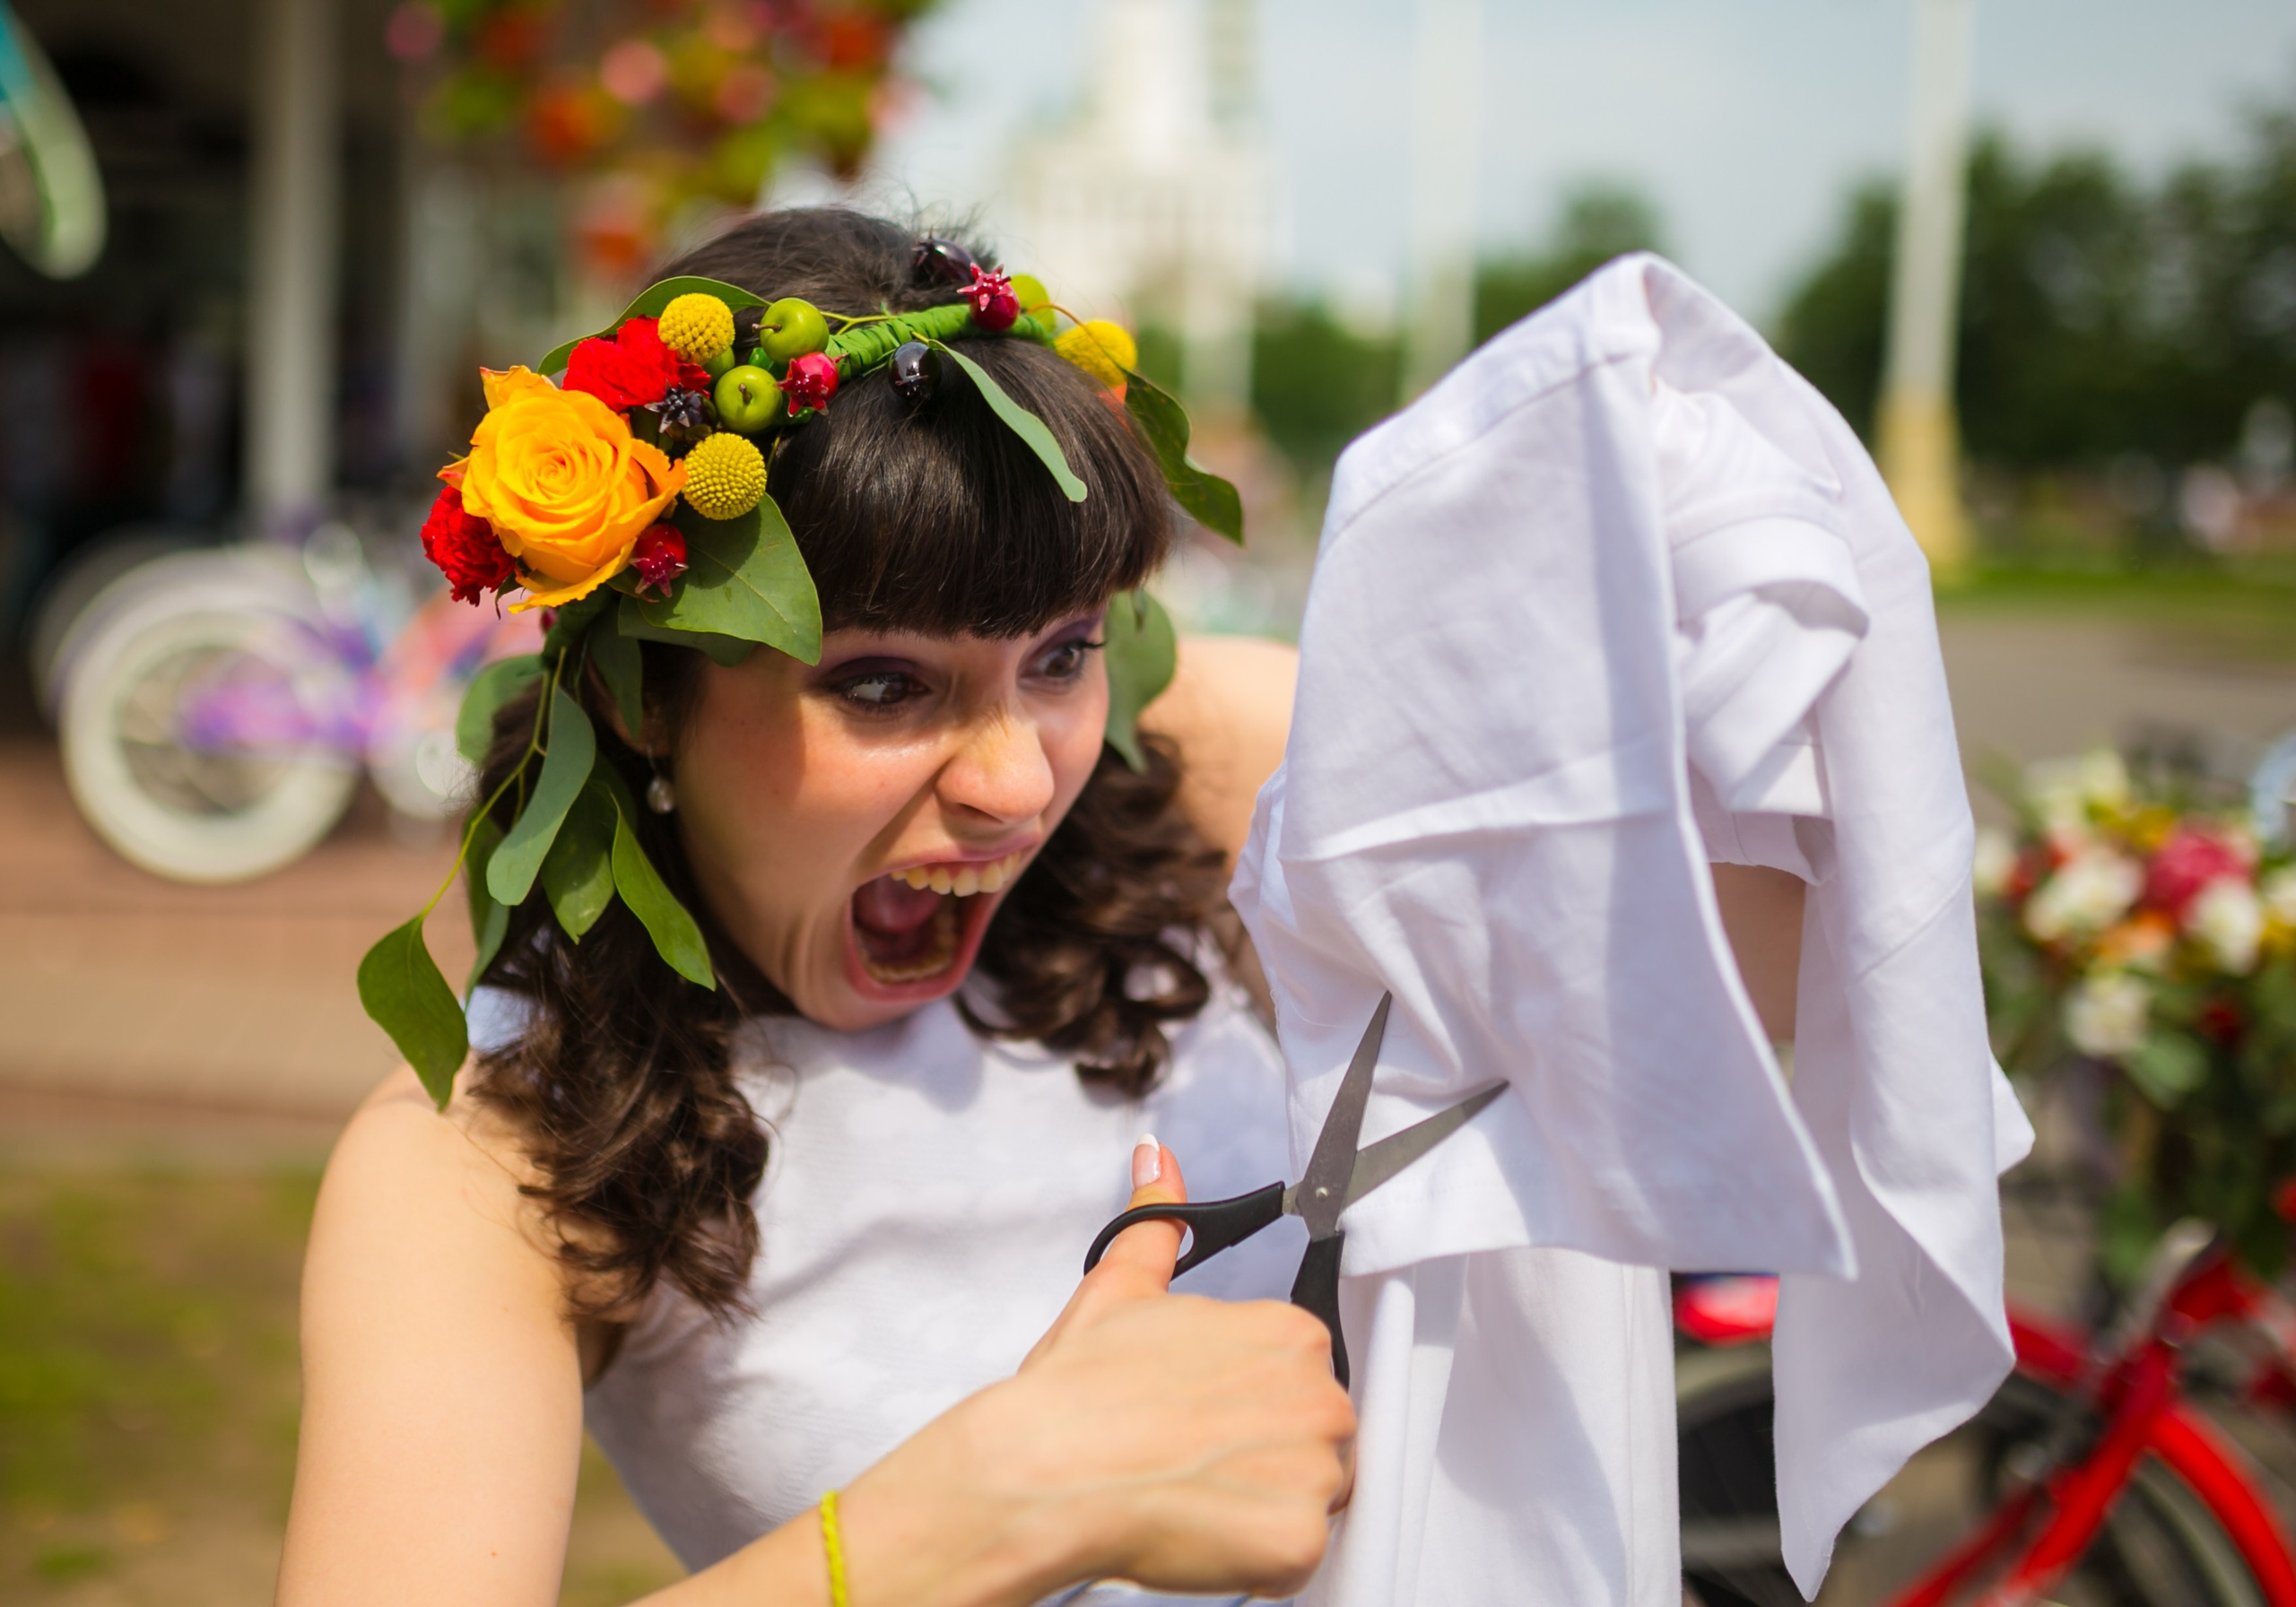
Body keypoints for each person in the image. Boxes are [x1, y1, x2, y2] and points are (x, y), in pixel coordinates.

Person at [279, 208, 1801, 1606]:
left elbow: (1706, 1000)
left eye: (1062, 655)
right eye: (882, 684)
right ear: (639, 703)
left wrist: (1748, 683)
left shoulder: (1194, 782)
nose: (1014, 784)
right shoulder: (490, 1163)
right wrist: (1003, 1501)